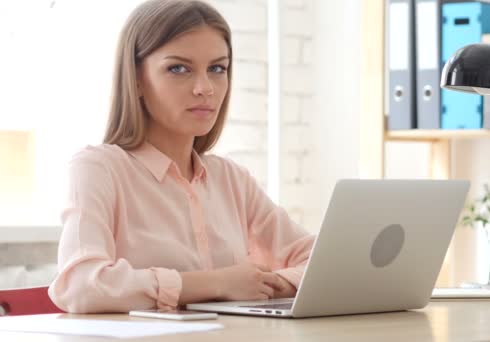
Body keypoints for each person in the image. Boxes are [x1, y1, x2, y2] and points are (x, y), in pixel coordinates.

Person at [48, 0, 315, 313]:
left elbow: (321, 257)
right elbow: (80, 286)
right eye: (178, 69)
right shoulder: (99, 168)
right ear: (135, 79)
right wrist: (217, 283)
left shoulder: (230, 179)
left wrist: (275, 284)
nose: (205, 88)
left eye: (217, 69)